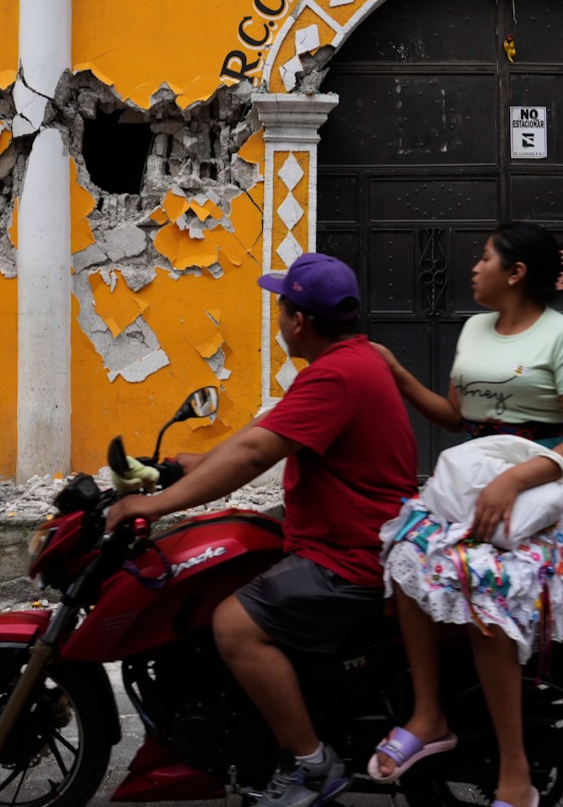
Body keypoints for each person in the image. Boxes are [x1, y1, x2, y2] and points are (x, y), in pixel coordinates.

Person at [106, 252, 419, 807]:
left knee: (234, 625)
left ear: (299, 321)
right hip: (347, 539)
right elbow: (259, 434)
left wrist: (154, 508)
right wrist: (173, 468)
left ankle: (311, 766)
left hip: (351, 557)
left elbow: (253, 455)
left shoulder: (335, 376)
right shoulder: (347, 361)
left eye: (281, 307)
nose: (277, 319)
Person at [365, 223, 563, 807]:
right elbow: (455, 416)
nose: (474, 268)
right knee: (404, 557)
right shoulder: (474, 329)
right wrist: (396, 374)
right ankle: (428, 717)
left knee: (490, 588)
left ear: (515, 272)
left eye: (484, 258)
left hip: (548, 488)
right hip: (477, 478)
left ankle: (516, 776)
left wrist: (516, 478)